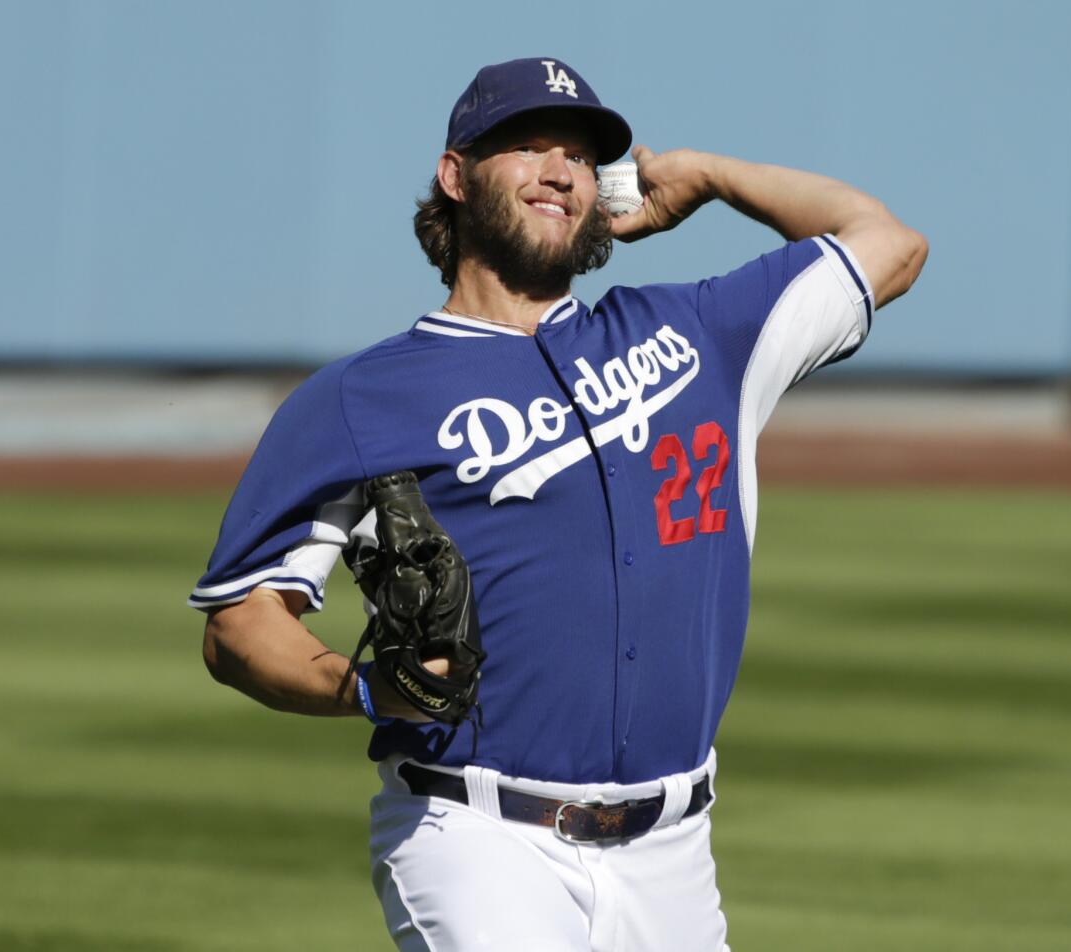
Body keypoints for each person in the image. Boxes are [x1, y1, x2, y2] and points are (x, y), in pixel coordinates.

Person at [191, 56, 926, 951]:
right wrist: (366, 690)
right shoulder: (360, 398)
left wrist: (708, 177)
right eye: (527, 147)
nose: (559, 171)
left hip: (677, 856)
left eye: (579, 156)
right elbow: (238, 623)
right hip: (475, 841)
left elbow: (887, 244)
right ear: (455, 176)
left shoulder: (697, 334)